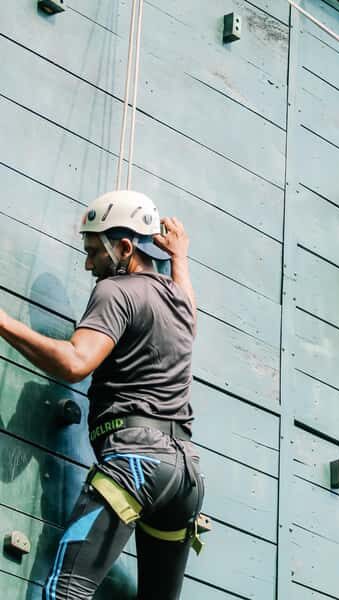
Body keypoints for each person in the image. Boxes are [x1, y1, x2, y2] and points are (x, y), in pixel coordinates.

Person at [0, 190, 204, 599]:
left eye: (94, 250)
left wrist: (5, 323)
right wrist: (180, 257)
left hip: (136, 465)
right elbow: (190, 307)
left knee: (64, 591)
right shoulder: (178, 298)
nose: (88, 263)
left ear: (125, 248)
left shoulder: (117, 291)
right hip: (185, 481)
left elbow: (77, 361)